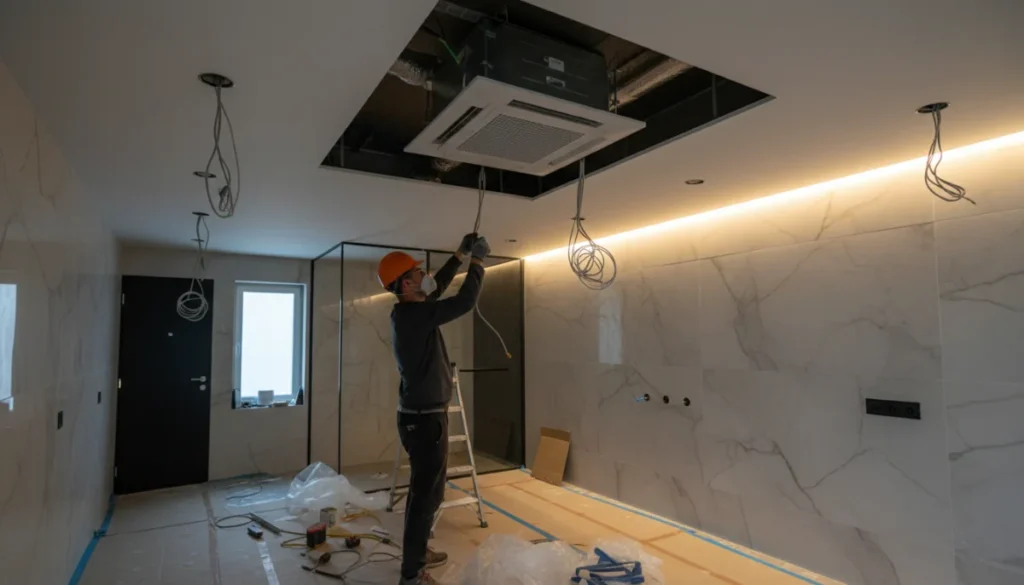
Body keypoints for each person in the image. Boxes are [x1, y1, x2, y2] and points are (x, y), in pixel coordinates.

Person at [376, 233, 491, 585]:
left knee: (428, 492)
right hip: (424, 422)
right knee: (425, 496)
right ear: (407, 284)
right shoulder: (415, 316)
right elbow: (464, 301)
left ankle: (418, 551)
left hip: (423, 418)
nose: (424, 272)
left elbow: (436, 288)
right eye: (417, 271)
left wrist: (460, 254)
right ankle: (412, 574)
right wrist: (477, 263)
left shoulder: (411, 310)